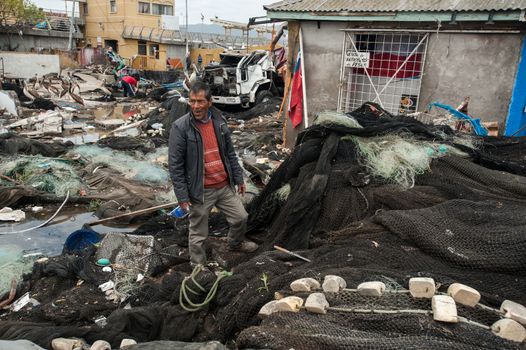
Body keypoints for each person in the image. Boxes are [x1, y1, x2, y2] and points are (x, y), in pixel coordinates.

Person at [168, 81, 258, 266]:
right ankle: (198, 266)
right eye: (192, 101)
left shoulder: (219, 122)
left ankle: (235, 243)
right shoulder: (181, 127)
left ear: (210, 102)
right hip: (200, 191)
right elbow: (175, 165)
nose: (196, 106)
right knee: (198, 233)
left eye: (200, 101)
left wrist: (239, 178)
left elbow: (230, 153)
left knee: (241, 217)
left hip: (224, 186)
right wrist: (182, 196)